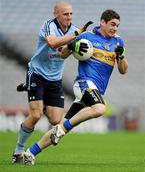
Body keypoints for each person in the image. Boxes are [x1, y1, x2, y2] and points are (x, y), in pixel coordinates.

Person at [23, 9, 128, 165]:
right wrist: (71, 45)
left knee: (63, 127)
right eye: (112, 24)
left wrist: (122, 57)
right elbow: (63, 54)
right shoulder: (86, 37)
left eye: (117, 26)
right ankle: (60, 130)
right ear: (102, 22)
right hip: (84, 84)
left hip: (95, 90)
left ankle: (30, 153)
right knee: (100, 109)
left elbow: (123, 70)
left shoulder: (118, 42)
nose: (115, 28)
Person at [12, 0, 93, 164]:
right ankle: (19, 151)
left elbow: (63, 53)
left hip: (55, 79)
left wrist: (74, 47)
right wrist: (76, 35)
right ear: (56, 14)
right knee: (35, 115)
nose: (69, 17)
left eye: (71, 14)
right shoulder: (49, 26)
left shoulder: (74, 29)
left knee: (55, 120)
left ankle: (28, 88)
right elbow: (53, 43)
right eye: (65, 14)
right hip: (37, 74)